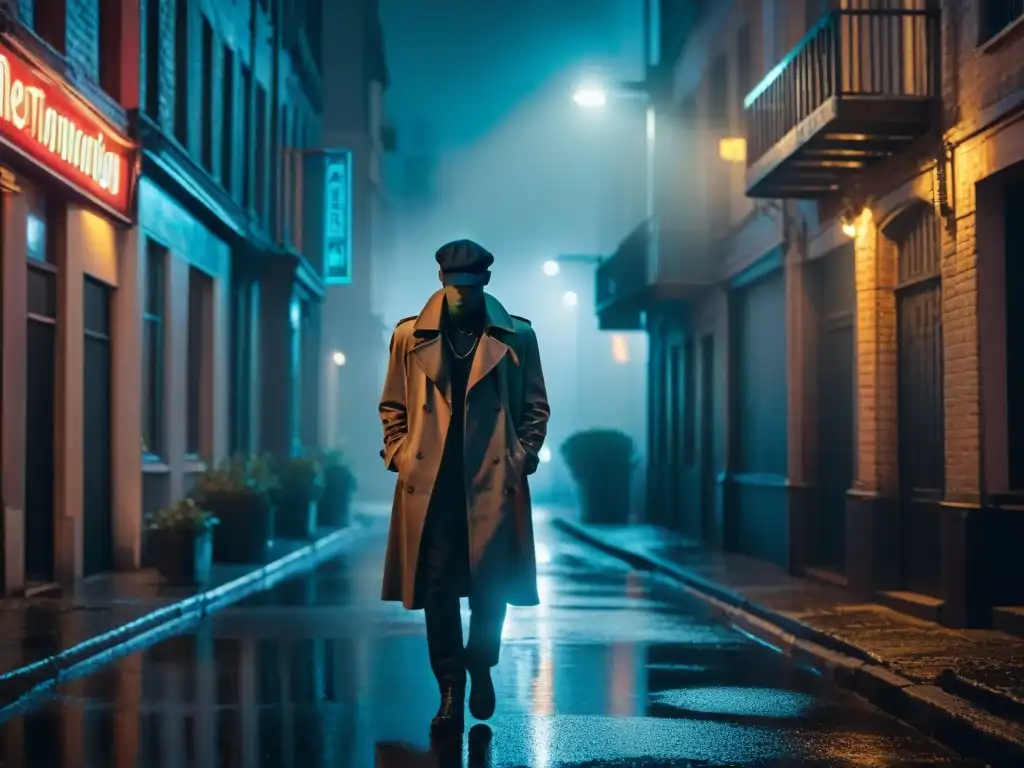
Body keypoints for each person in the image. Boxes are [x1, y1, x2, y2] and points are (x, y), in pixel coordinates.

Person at [378, 239, 550, 731]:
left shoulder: (516, 336)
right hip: (430, 486)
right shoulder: (409, 337)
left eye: (469, 287)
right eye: (453, 286)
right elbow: (393, 405)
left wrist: (522, 457)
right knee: (437, 591)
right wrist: (400, 455)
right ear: (441, 283)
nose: (460, 295)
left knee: (488, 588)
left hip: (491, 481)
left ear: (484, 285)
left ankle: (481, 660)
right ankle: (450, 688)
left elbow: (535, 406)